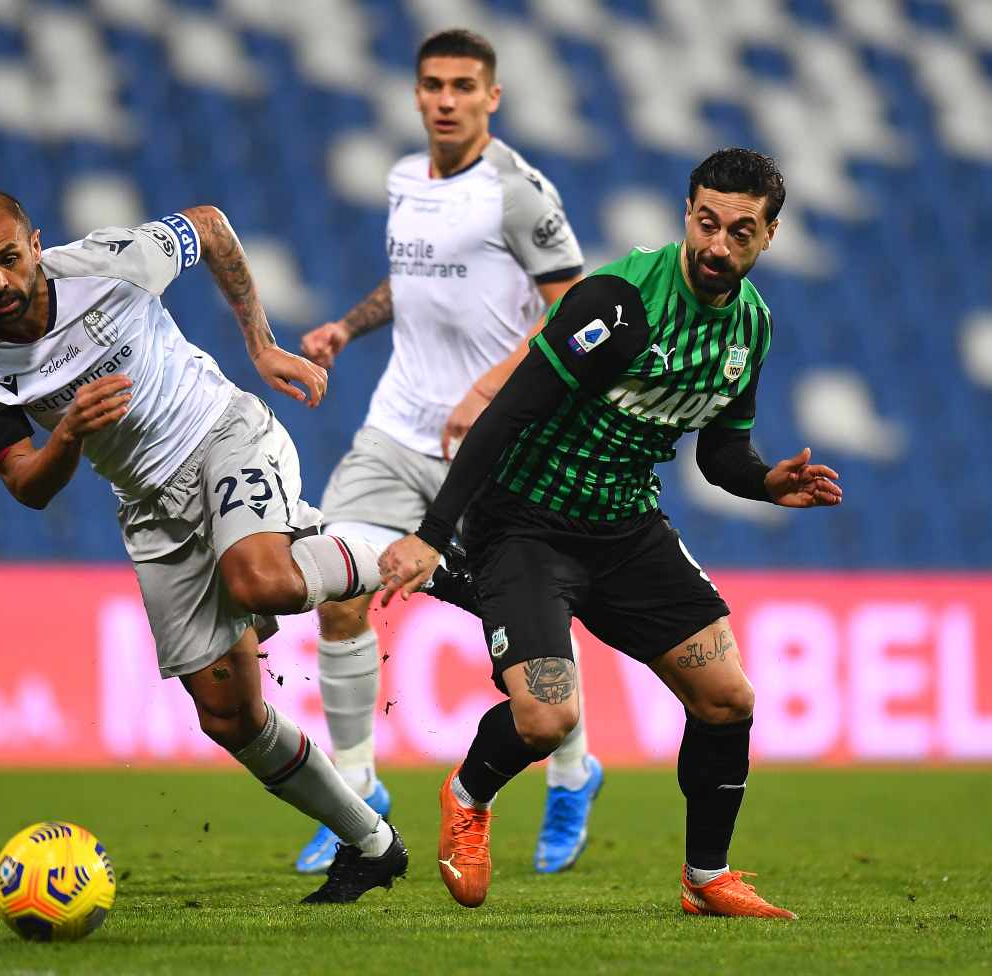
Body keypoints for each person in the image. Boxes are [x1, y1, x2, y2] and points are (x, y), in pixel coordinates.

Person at [379, 148, 844, 917]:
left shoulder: (751, 328)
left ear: (769, 236)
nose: (718, 245)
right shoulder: (619, 303)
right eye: (706, 223)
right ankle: (467, 796)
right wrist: (434, 530)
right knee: (548, 718)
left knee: (728, 698)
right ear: (686, 214)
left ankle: (706, 879)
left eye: (740, 231)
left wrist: (765, 481)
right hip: (526, 523)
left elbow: (721, 451)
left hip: (625, 526)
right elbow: (512, 412)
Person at [0, 191, 408, 903]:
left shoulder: (108, 265)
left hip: (221, 435)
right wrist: (67, 434)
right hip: (149, 508)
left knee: (260, 579)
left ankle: (427, 557)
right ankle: (372, 845)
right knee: (230, 716)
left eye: (8, 258)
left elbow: (212, 225)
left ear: (35, 244)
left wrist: (260, 344)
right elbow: (28, 485)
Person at [296, 28, 602, 876]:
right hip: (394, 429)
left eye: (463, 86)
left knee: (531, 629)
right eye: (432, 84)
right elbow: (414, 277)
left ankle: (575, 772)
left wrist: (486, 391)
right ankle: (356, 790)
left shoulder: (517, 192)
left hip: (492, 445)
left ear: (491, 97)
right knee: (336, 583)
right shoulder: (404, 179)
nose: (444, 99)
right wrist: (346, 329)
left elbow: (573, 309)